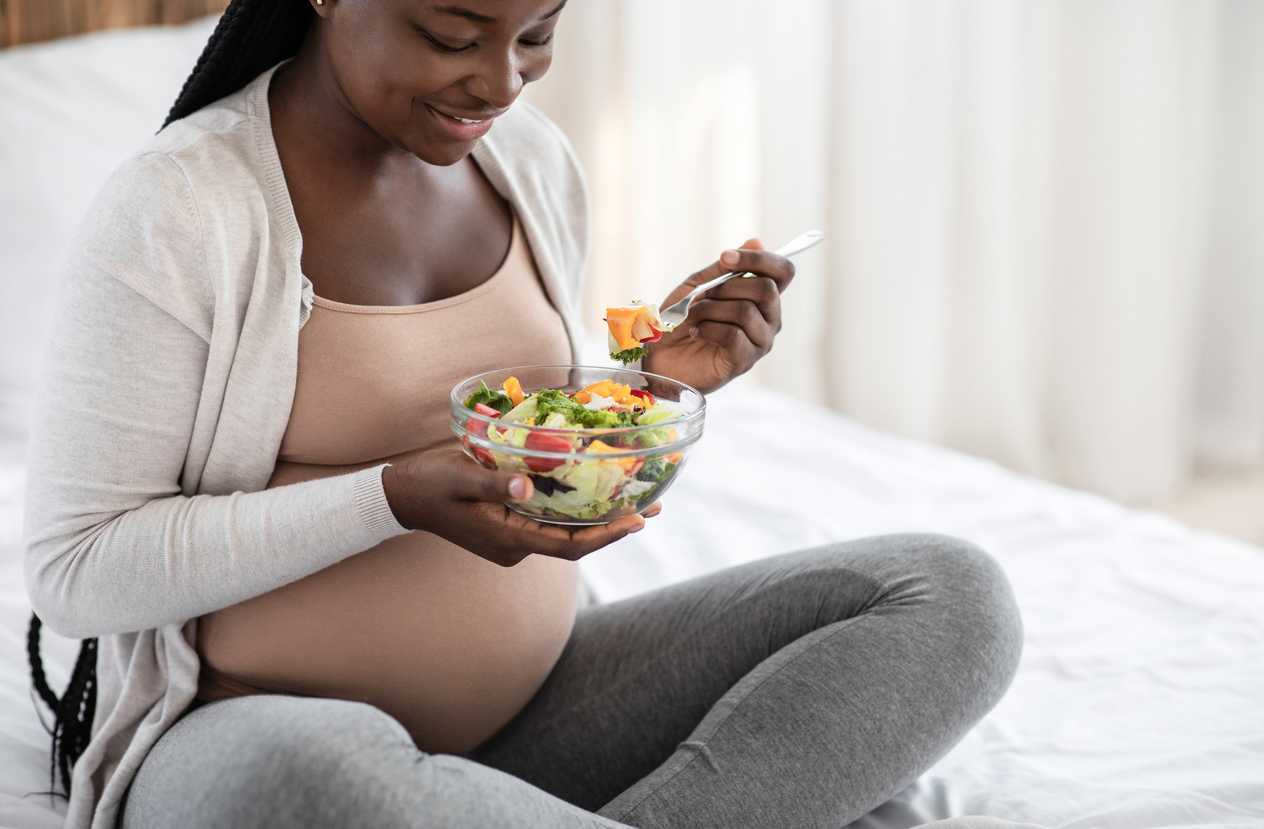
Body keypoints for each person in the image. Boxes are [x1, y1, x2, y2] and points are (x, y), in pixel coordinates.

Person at [21, 1, 1024, 827]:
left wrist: (657, 388)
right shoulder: (180, 211)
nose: (499, 83)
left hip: (549, 708)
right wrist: (392, 497)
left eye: (536, 35)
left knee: (947, 596)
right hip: (266, 736)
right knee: (307, 782)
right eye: (453, 36)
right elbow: (77, 573)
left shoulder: (527, 160)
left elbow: (531, 448)